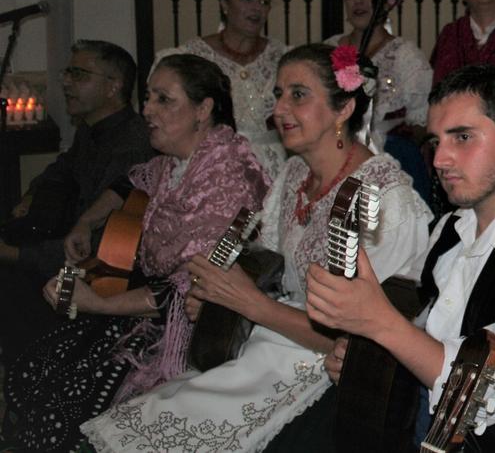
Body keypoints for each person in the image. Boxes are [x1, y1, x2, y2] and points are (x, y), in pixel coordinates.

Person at [81, 44, 432, 452]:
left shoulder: (384, 199)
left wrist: (252, 305)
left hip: (335, 372)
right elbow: (262, 268)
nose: (280, 109)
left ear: (343, 109)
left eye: (298, 94)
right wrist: (216, 297)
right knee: (147, 418)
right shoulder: (293, 174)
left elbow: (368, 342)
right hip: (272, 343)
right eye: (279, 94)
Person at [307, 64, 495, 450]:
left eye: (463, 137)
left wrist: (379, 322)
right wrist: (369, 349)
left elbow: (485, 397)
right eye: (435, 142)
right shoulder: (453, 225)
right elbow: (431, 328)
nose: (439, 160)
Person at [3, 54, 269, 453]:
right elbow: (131, 182)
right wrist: (87, 222)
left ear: (203, 109)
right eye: (147, 97)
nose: (146, 109)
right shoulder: (171, 164)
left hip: (191, 328)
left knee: (69, 406)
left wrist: (97, 303)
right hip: (147, 309)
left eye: (163, 100)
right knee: (37, 367)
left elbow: (191, 287)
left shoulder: (229, 177)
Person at [0, 40, 155, 361]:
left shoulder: (131, 144)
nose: (67, 82)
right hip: (74, 252)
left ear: (113, 87)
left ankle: (38, 383)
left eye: (79, 74)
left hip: (107, 273)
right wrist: (32, 192)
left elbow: (102, 246)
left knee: (12, 282)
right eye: (67, 73)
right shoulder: (92, 130)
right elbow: (63, 168)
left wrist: (14, 254)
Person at [154, 0, 287, 178]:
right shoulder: (191, 55)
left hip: (272, 168)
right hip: (210, 166)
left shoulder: (283, 56)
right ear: (224, 5)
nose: (256, 8)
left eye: (264, 1)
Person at [326, 0, 434, 202]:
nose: (359, 1)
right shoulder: (330, 49)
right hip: (334, 156)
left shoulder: (405, 55)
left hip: (393, 160)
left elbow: (421, 121)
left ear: (387, 2)